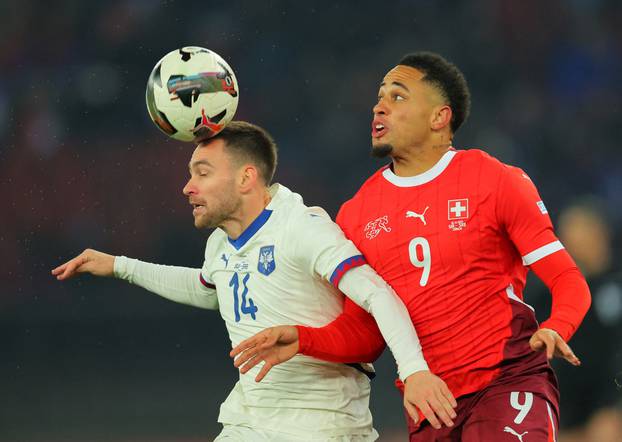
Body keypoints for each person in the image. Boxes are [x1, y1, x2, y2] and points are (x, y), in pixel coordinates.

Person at [230, 53, 592, 441]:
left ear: (439, 117)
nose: (379, 106)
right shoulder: (356, 214)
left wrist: (558, 325)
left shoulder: (495, 180)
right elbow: (367, 333)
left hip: (508, 381)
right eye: (379, 96)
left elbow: (569, 279)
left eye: (398, 96)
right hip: (431, 403)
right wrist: (304, 338)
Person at [51, 121, 457, 441]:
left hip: (321, 427)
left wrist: (415, 370)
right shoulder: (220, 244)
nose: (187, 187)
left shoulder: (302, 228)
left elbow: (376, 294)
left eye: (202, 173)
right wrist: (121, 265)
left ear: (246, 178)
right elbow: (208, 289)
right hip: (249, 423)